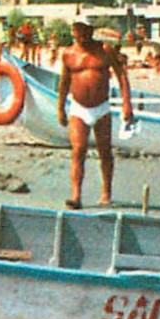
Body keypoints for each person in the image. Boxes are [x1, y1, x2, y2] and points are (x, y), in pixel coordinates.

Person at [56, 20, 134, 208]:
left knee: (105, 152)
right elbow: (64, 83)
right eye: (77, 30)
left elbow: (121, 75)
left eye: (84, 30)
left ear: (91, 30)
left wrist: (127, 104)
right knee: (78, 150)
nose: (80, 34)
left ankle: (106, 192)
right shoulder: (68, 54)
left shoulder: (104, 50)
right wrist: (60, 108)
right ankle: (76, 196)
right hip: (78, 108)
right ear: (73, 31)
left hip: (101, 108)